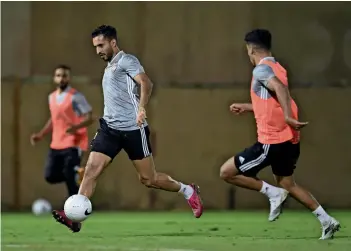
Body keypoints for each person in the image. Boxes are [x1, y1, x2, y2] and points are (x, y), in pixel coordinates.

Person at [52, 25, 203, 233]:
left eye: (101, 45)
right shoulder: (109, 66)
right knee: (91, 171)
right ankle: (75, 218)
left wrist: (141, 108)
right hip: (109, 129)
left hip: (133, 129)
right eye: (95, 46)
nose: (98, 51)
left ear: (113, 42)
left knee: (149, 179)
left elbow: (146, 83)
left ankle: (188, 191)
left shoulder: (126, 60)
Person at [219, 29, 340, 240]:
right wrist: (248, 107)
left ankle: (272, 193)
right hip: (289, 139)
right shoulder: (278, 66)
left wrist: (287, 116)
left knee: (227, 172)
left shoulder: (261, 70)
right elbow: (272, 100)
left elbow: (280, 89)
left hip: (272, 141)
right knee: (288, 183)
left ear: (251, 50)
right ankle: (327, 221)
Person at [31, 65, 95, 198]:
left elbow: (90, 118)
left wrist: (75, 128)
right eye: (59, 75)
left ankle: (75, 213)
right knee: (50, 176)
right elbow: (53, 119)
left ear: (69, 78)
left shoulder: (75, 97)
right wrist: (41, 134)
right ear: (54, 78)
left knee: (70, 182)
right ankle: (77, 173)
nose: (61, 79)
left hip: (73, 143)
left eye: (64, 76)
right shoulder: (51, 97)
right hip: (56, 143)